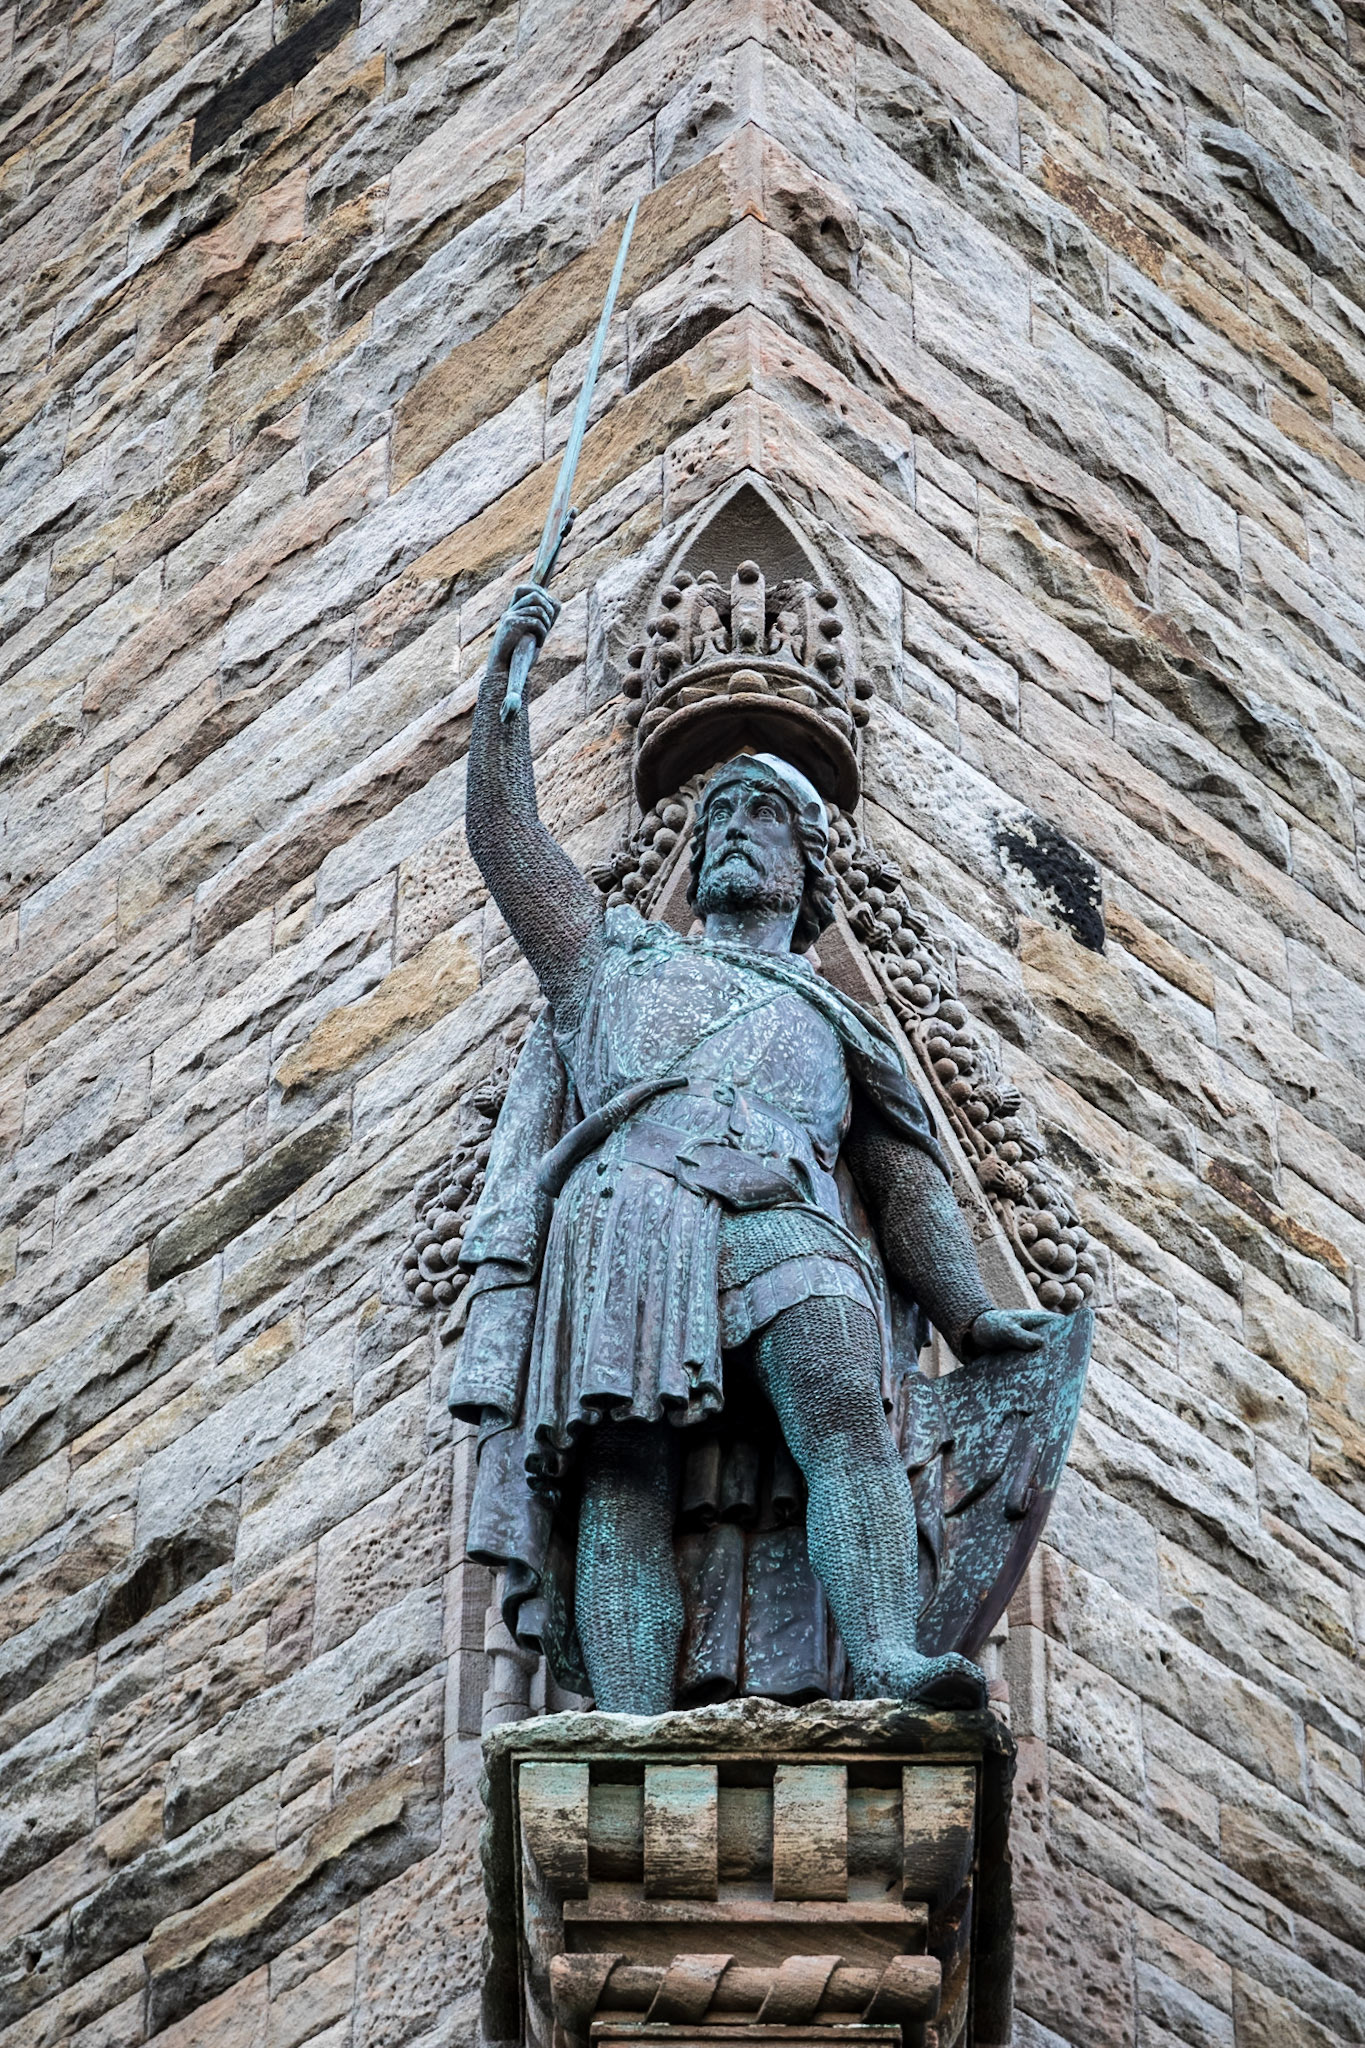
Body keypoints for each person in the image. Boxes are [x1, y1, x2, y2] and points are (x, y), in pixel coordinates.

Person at [458, 583, 1055, 1712]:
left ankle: (884, 1652)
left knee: (847, 1410)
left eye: (762, 814)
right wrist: (505, 693)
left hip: (785, 1210)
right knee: (623, 1476)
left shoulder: (838, 1021)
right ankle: (627, 1720)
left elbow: (904, 1176)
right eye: (719, 813)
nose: (732, 826)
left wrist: (971, 1314)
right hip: (629, 1209)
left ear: (807, 867)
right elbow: (505, 839)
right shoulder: (611, 964)